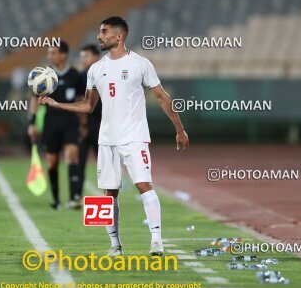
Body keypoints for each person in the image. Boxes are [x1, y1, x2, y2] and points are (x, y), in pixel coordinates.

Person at [38, 16, 189, 256]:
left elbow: (162, 97)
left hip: (134, 137)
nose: (99, 36)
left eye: (104, 31)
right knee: (109, 193)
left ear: (119, 36)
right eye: (99, 31)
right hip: (106, 139)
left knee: (144, 186)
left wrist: (179, 129)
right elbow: (88, 105)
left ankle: (157, 242)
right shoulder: (95, 70)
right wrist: (57, 105)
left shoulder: (140, 64)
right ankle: (115, 246)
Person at [28, 41, 85, 210]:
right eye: (48, 53)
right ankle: (55, 199)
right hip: (51, 122)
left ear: (63, 54)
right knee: (52, 162)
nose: (49, 56)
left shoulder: (75, 75)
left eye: (53, 52)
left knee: (72, 155)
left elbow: (81, 101)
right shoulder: (43, 74)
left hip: (70, 121)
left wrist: (83, 123)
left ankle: (74, 197)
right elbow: (33, 100)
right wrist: (31, 122)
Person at [78, 44, 102, 195]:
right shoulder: (81, 76)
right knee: (79, 161)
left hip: (103, 124)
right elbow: (80, 100)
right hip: (87, 124)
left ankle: (110, 196)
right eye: (82, 57)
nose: (83, 60)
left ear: (96, 56)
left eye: (86, 56)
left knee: (105, 162)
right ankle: (76, 194)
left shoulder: (106, 74)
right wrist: (83, 124)